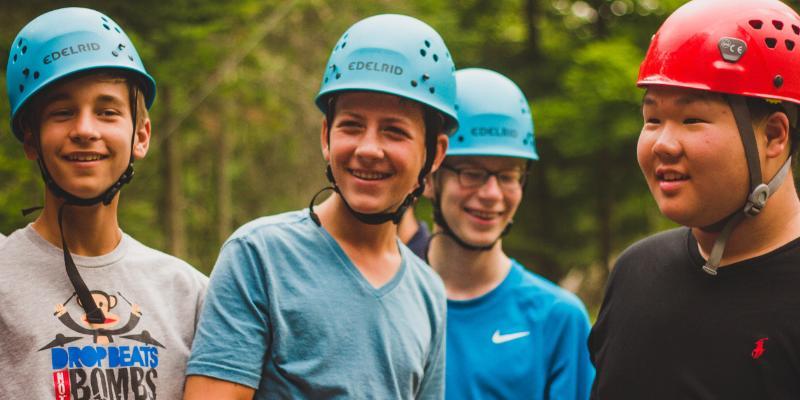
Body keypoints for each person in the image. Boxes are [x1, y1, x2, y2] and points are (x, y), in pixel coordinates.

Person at [184, 14, 456, 399]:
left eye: (394, 131)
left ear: (434, 153)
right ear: (326, 135)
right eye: (352, 125)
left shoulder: (427, 292)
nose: (368, 149)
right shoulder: (261, 256)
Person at [589, 0, 800, 398]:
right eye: (652, 119)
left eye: (692, 120)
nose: (663, 144)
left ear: (774, 136)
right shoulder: (636, 271)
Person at [0, 7, 208, 399]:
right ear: (30, 139)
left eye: (107, 112)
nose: (84, 129)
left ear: (141, 136)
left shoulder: (189, 294)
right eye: (62, 112)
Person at [425, 68, 594, 400]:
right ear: (430, 177)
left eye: (508, 175)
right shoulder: (389, 303)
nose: (492, 193)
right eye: (472, 173)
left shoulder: (557, 319)